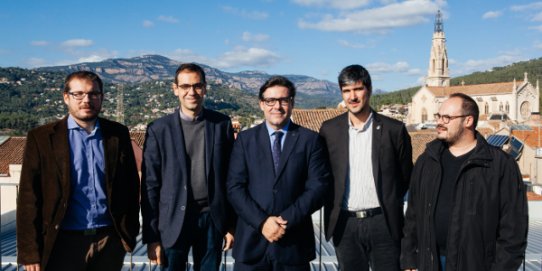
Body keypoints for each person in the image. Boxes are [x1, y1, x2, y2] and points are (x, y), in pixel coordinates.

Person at [16, 71, 140, 271]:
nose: (86, 100)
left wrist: (128, 233)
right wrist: (30, 253)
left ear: (102, 97)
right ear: (66, 97)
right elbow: (28, 199)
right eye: (78, 94)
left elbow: (132, 186)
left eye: (93, 94)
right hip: (62, 243)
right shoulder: (41, 138)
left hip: (109, 241)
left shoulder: (117, 134)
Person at [401, 93, 528, 271]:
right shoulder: (427, 160)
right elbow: (412, 215)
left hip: (476, 264)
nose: (439, 122)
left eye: (447, 117)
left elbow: (513, 229)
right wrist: (409, 260)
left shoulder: (500, 165)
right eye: (439, 116)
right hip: (429, 262)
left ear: (468, 121)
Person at [227, 75, 330, 271]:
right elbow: (234, 187)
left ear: (292, 103)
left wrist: (284, 221)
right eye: (271, 101)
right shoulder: (244, 140)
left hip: (294, 245)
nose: (277, 106)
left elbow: (318, 188)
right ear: (261, 104)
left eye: (283, 100)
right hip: (251, 244)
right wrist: (262, 222)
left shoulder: (310, 140)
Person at [141, 63, 235, 271]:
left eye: (197, 85)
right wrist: (152, 236)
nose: (191, 92)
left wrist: (230, 225)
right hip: (172, 220)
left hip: (212, 218)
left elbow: (230, 178)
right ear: (175, 89)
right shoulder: (158, 129)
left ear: (205, 88)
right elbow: (150, 185)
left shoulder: (222, 124)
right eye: (185, 86)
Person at [319, 64, 412, 271]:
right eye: (346, 91)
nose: (352, 96)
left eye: (357, 89)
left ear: (368, 90)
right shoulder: (329, 131)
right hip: (345, 224)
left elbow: (405, 176)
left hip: (384, 222)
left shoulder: (393, 130)